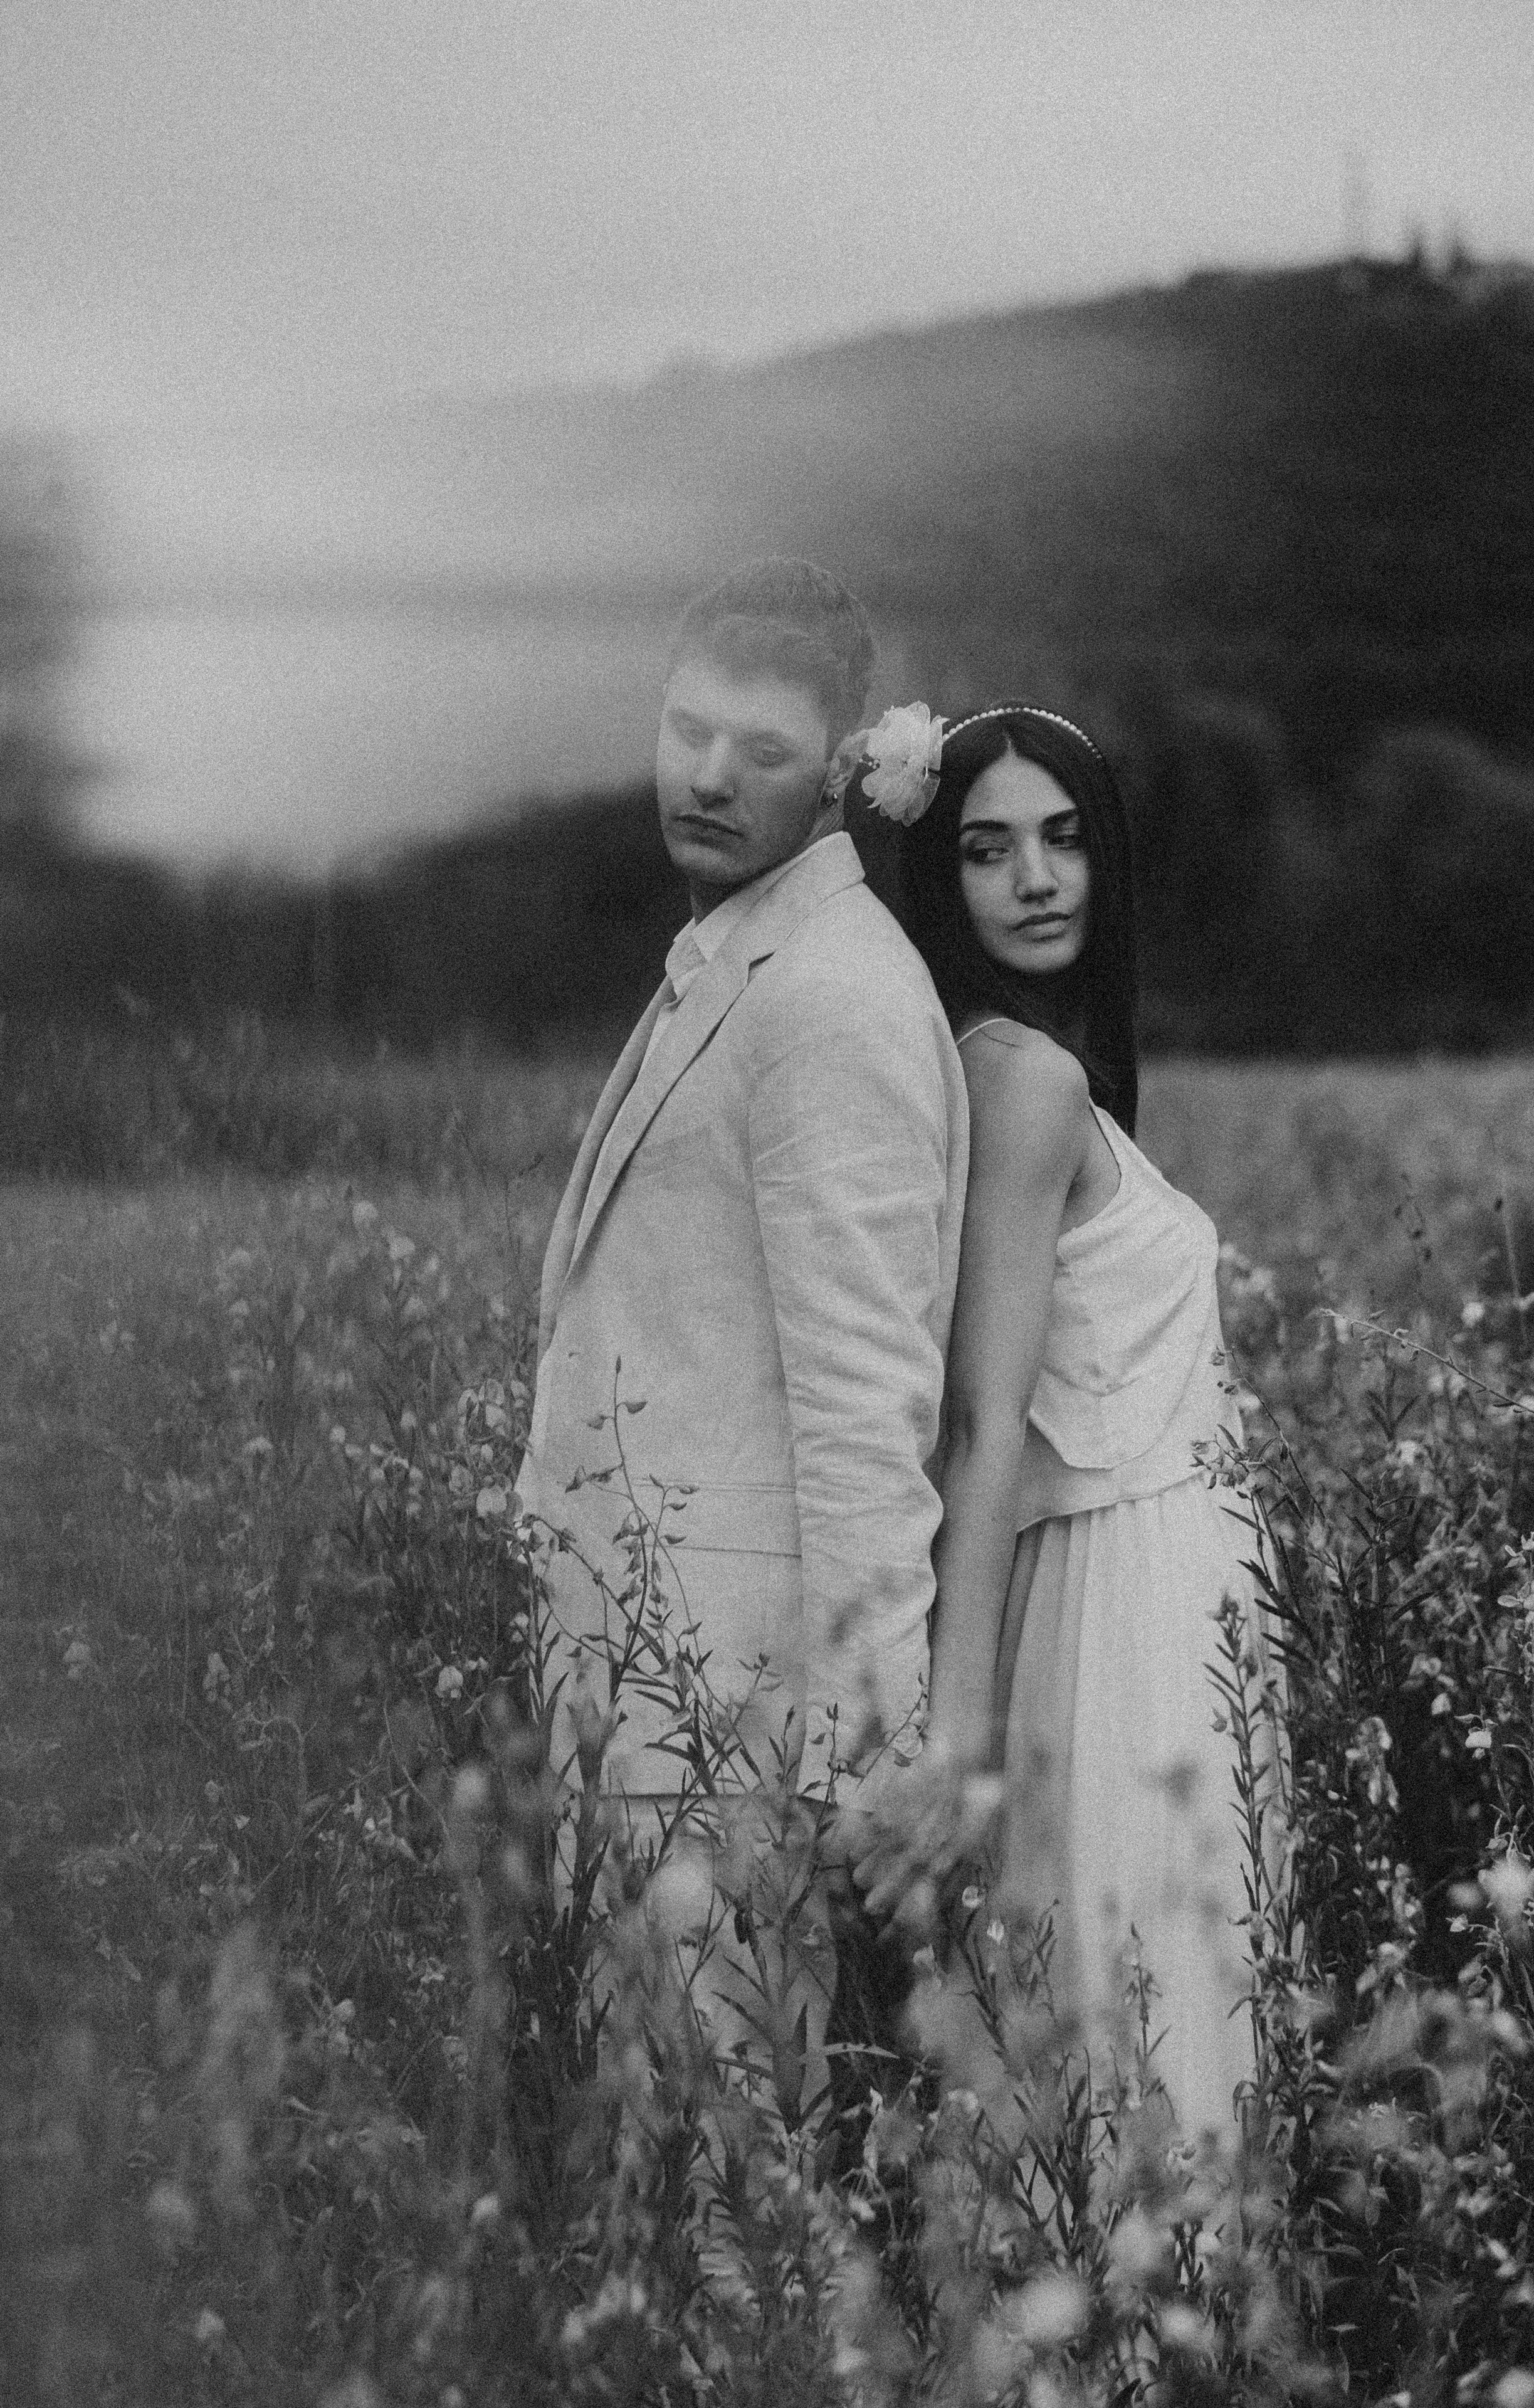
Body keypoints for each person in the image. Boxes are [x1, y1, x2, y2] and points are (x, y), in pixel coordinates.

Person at [513, 559, 969, 2144]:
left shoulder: (832, 995)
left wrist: (865, 1756)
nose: (707, 775)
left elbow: (869, 1407)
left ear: (840, 770)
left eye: (761, 751)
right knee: (655, 2166)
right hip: (635, 1697)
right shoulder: (733, 949)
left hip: (724, 1721)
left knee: (716, 2190)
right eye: (685, 728)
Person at [870, 699, 1281, 2147]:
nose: (1034, 880)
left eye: (1061, 840)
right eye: (986, 850)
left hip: (1152, 1594)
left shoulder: (1021, 1067)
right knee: (1138, 2014)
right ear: (942, 880)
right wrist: (955, 1738)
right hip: (1120, 1602)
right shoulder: (1023, 1083)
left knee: (1130, 2006)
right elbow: (980, 1425)